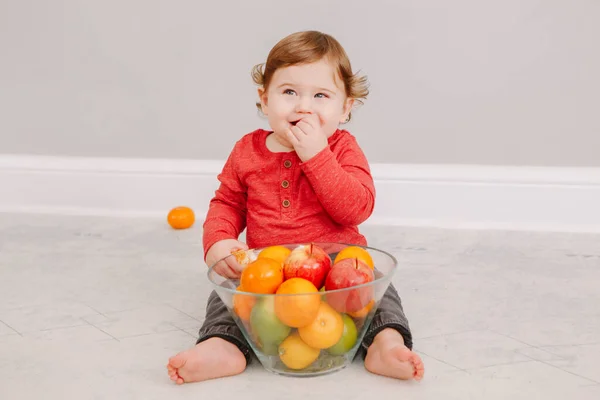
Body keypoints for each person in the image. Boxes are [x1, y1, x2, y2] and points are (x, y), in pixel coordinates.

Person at [166, 30, 424, 384]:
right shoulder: (247, 151)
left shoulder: (343, 148)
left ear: (345, 108)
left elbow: (356, 208)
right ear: (265, 99)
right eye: (289, 92)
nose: (304, 106)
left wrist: (318, 156)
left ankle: (384, 343)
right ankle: (221, 346)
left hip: (338, 264)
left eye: (321, 95)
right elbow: (226, 202)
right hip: (266, 269)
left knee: (378, 293)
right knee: (228, 298)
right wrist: (218, 241)